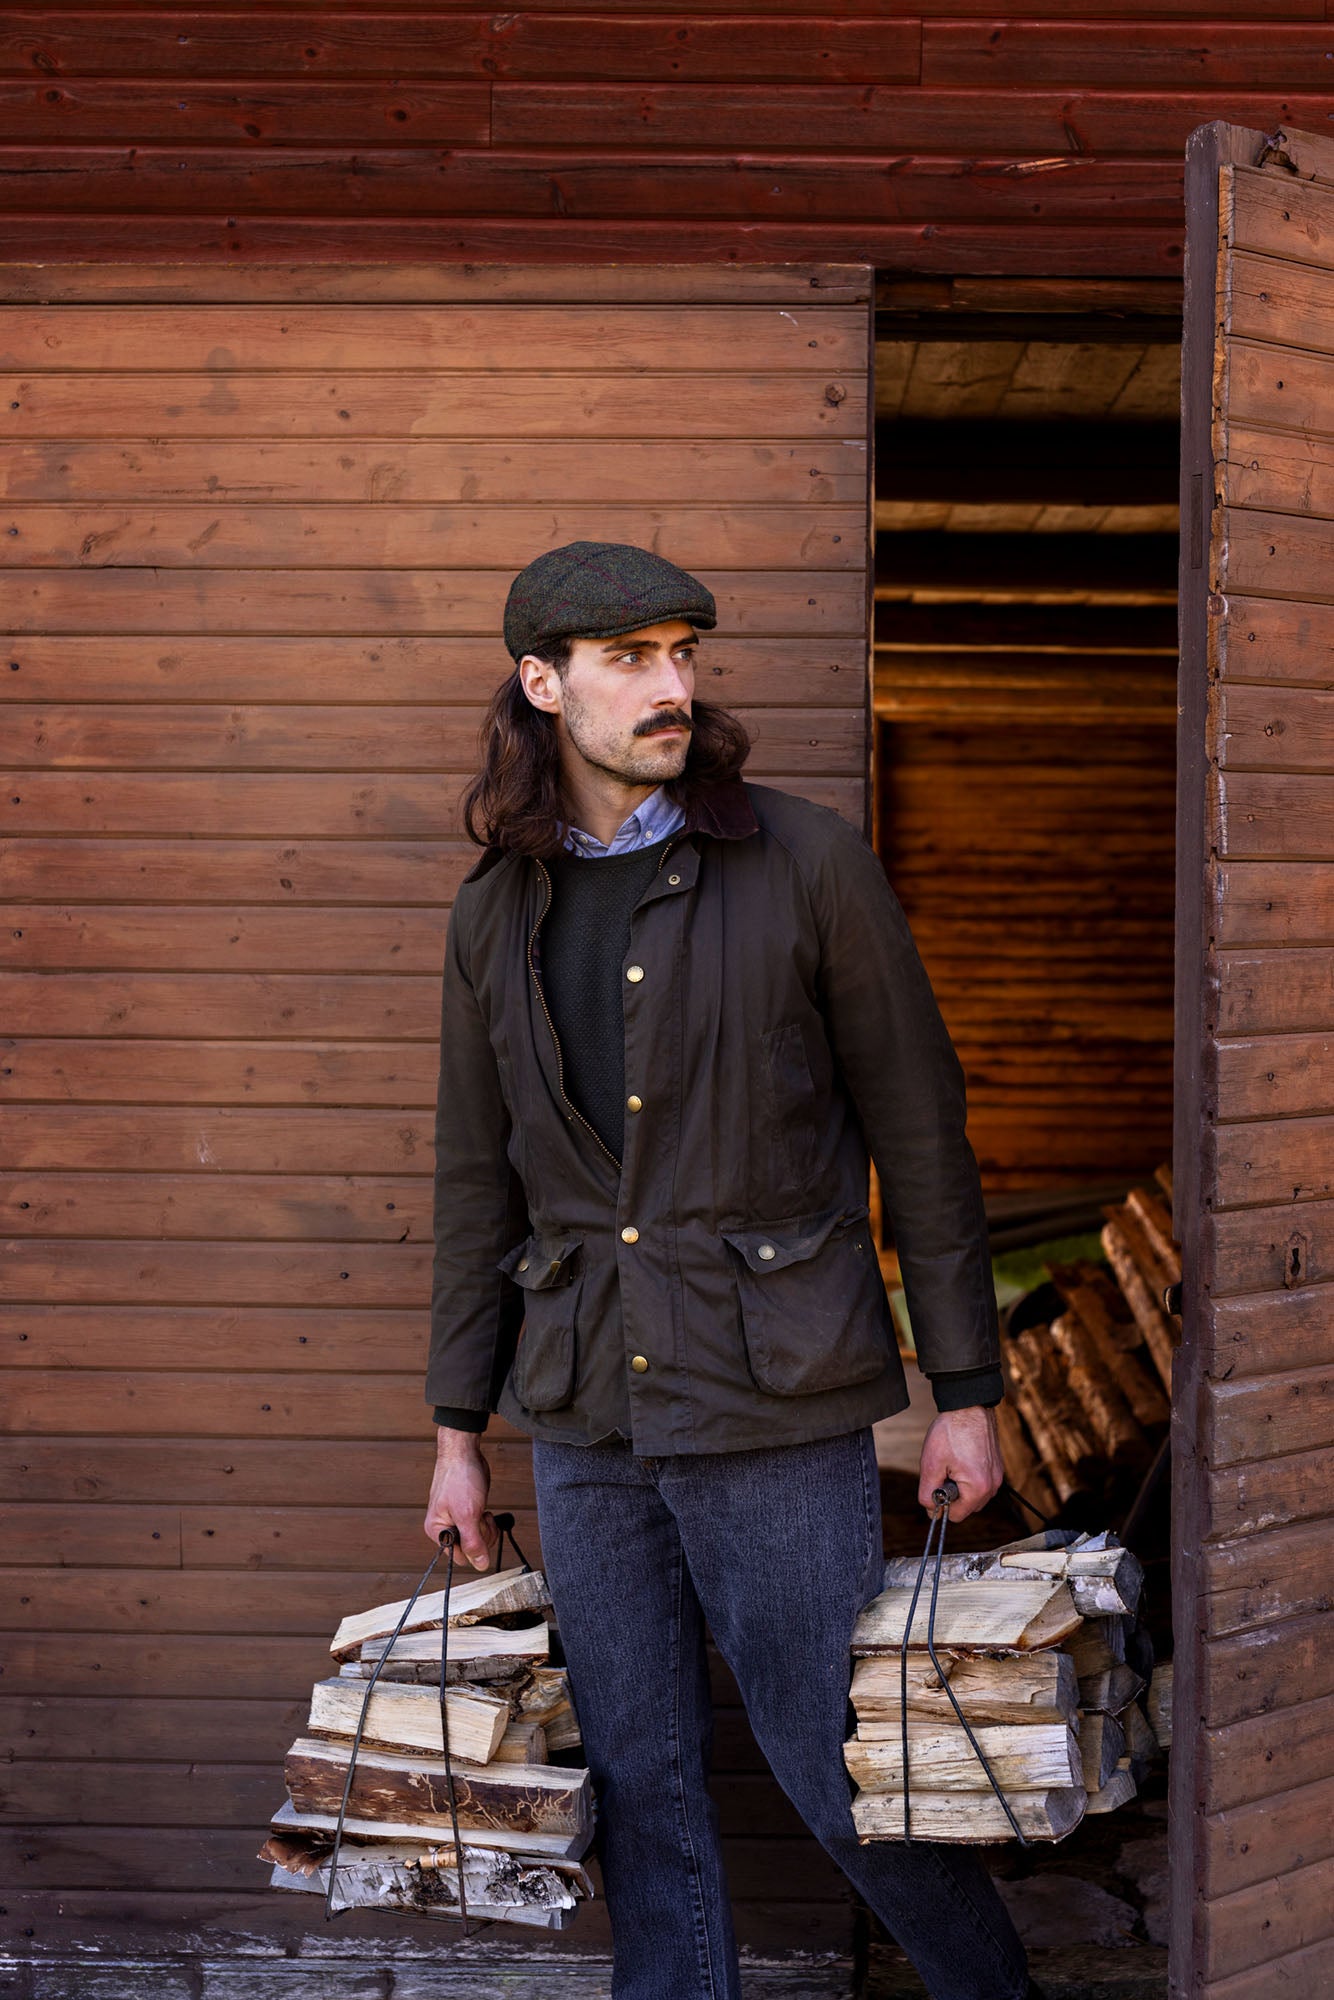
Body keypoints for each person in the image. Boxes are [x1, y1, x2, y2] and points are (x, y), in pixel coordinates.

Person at [423, 541, 1042, 2000]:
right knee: (637, 1780)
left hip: (775, 1403)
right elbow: (474, 1180)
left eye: (683, 655)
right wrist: (457, 1428)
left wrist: (965, 1389)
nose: (670, 686)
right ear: (539, 683)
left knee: (839, 1768)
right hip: (584, 1415)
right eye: (630, 659)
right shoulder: (489, 913)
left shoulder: (806, 864)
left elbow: (921, 1132)